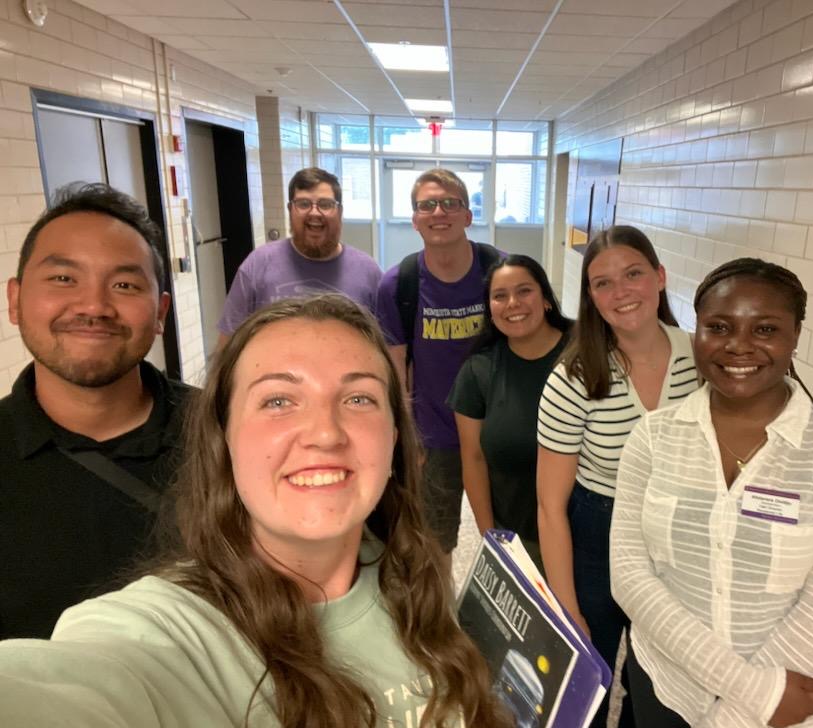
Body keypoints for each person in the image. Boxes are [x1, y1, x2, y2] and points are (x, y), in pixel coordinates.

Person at [0, 295, 512, 728]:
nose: (326, 433)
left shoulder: (415, 583)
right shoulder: (166, 637)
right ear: (223, 437)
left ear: (395, 438)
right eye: (278, 401)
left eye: (359, 399)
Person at [610, 258, 813, 728]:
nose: (739, 346)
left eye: (765, 329)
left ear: (795, 335)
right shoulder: (652, 438)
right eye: (719, 327)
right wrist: (753, 691)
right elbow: (630, 577)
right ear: (696, 334)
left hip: (784, 714)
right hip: (670, 687)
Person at [536, 225, 700, 728]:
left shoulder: (702, 360)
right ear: (590, 298)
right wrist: (566, 605)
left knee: (658, 683)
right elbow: (550, 504)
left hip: (676, 536)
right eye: (602, 283)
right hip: (597, 531)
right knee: (592, 676)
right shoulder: (575, 375)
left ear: (659, 276)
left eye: (633, 273)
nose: (621, 291)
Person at [0, 182, 192, 640]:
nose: (93, 306)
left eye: (124, 284)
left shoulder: (226, 431)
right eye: (64, 278)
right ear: (15, 299)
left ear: (160, 311)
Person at [376, 168, 501, 557]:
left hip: (498, 432)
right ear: (415, 220)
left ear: (468, 215)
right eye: (427, 205)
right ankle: (440, 618)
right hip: (433, 438)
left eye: (450, 203)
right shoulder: (399, 284)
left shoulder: (499, 272)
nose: (438, 212)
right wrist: (405, 435)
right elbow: (395, 370)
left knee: (507, 539)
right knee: (433, 548)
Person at [448, 255, 572, 567]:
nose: (513, 303)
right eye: (500, 296)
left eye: (524, 291)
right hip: (520, 541)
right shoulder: (478, 371)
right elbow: (473, 459)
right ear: (489, 309)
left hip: (589, 540)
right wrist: (491, 537)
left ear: (545, 299)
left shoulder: (585, 351)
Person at [216, 167, 380, 345]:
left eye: (325, 204)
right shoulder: (257, 265)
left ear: (339, 212)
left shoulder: (369, 273)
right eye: (303, 204)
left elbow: (386, 348)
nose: (314, 213)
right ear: (290, 209)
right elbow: (228, 345)